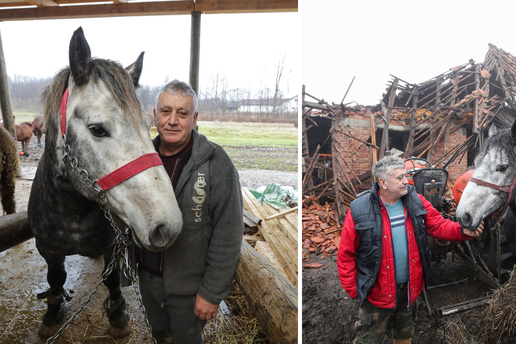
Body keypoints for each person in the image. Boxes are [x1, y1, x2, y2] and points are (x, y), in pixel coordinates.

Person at [136, 79, 243, 344]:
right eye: (165, 111)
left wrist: (211, 293)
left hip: (189, 289)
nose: (172, 120)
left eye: (182, 113)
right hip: (149, 280)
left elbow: (228, 234)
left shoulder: (216, 164)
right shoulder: (140, 161)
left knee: (187, 340)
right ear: (155, 115)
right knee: (161, 335)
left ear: (194, 118)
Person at [337, 155, 483, 344]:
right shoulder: (359, 210)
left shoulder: (416, 201)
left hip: (409, 292)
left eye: (405, 176)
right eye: (399, 178)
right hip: (376, 296)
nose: (406, 181)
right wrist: (355, 292)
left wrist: (462, 230)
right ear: (383, 182)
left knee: (404, 337)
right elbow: (346, 255)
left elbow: (438, 225)